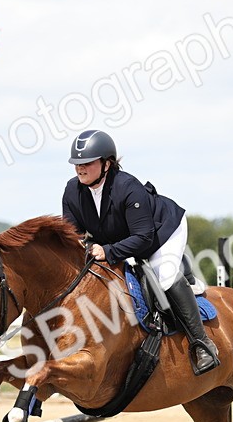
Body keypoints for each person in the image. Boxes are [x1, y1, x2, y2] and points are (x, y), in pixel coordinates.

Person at [60, 129, 220, 375]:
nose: (80, 169)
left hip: (160, 233)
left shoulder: (128, 187)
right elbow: (74, 235)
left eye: (87, 163)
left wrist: (109, 251)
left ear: (106, 164)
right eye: (77, 164)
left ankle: (202, 344)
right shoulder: (73, 191)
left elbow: (143, 239)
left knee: (164, 275)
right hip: (121, 239)